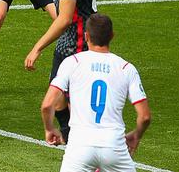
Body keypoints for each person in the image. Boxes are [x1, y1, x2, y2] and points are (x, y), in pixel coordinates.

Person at [25, 0, 102, 141]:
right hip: (75, 36)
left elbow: (65, 17)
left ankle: (81, 140)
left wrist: (37, 48)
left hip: (76, 41)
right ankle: (72, 137)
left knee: (65, 96)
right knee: (58, 94)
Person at [40, 13, 151, 172]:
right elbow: (145, 116)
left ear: (86, 36)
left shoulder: (72, 62)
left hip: (79, 147)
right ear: (112, 36)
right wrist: (137, 135)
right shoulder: (126, 68)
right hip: (113, 147)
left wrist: (49, 129)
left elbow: (47, 105)